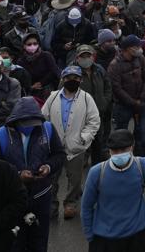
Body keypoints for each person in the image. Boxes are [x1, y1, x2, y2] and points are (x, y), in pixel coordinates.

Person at [0, 96, 65, 252]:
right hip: (11, 200)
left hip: (41, 195)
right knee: (15, 243)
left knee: (39, 242)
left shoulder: (47, 129)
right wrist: (17, 175)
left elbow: (59, 155)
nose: (30, 127)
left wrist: (48, 166)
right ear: (15, 120)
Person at [81, 129, 145, 252]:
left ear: (132, 147)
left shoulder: (143, 166)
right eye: (115, 151)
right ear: (109, 151)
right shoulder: (97, 172)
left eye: (123, 150)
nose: (119, 154)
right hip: (104, 240)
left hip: (135, 238)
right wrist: (90, 236)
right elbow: (86, 206)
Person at [41, 64, 101, 219]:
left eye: (75, 78)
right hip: (54, 148)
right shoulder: (53, 96)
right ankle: (52, 205)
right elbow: (43, 119)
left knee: (74, 179)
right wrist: (47, 139)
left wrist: (84, 138)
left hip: (76, 147)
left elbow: (94, 121)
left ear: (80, 80)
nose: (71, 80)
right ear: (63, 79)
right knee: (52, 179)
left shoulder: (87, 98)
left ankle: (70, 203)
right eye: (68, 78)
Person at [108, 35, 145, 156]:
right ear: (128, 49)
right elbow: (116, 89)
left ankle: (142, 158)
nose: (140, 49)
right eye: (137, 46)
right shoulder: (114, 65)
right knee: (121, 136)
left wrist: (141, 98)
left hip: (140, 104)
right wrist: (133, 102)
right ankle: (122, 160)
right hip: (122, 107)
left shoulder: (140, 58)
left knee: (141, 133)